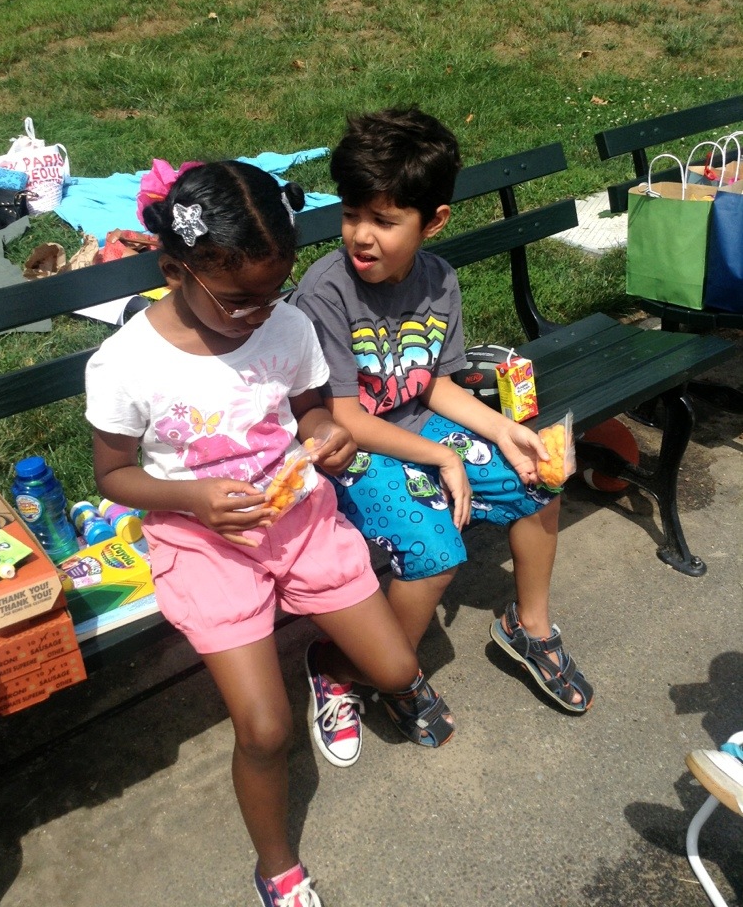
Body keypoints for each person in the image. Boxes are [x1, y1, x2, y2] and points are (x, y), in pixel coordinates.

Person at [84, 159, 454, 907]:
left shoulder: (286, 326)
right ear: (174, 271)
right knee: (263, 730)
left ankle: (328, 663)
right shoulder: (125, 363)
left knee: (396, 670)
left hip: (298, 520)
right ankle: (277, 865)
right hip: (203, 541)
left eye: (272, 293)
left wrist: (326, 436)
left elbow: (311, 408)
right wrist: (192, 499)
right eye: (237, 301)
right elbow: (114, 476)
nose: (258, 314)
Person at [292, 107, 593, 716]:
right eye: (351, 214)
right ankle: (361, 669)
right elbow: (344, 420)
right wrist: (441, 458)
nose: (361, 235)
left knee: (540, 478)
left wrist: (505, 430)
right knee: (435, 552)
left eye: (384, 220)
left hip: (417, 428)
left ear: (434, 221)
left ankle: (529, 627)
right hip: (351, 453)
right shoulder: (326, 293)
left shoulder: (438, 280)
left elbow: (434, 385)